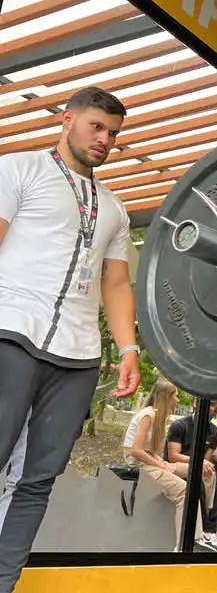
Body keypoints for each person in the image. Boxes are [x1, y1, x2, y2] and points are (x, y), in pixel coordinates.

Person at [0, 86, 141, 591]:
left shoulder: (115, 209)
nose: (105, 140)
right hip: (11, 328)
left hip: (78, 355)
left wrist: (128, 348)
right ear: (68, 119)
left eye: (113, 134)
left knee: (37, 479)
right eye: (96, 127)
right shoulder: (17, 170)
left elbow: (116, 282)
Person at [123, 379, 217, 552]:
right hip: (139, 465)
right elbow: (136, 451)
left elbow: (149, 451)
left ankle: (205, 523)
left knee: (204, 472)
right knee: (185, 490)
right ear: (166, 397)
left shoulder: (158, 417)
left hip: (150, 462)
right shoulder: (148, 415)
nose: (178, 399)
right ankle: (184, 546)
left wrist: (161, 463)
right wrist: (162, 466)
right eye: (175, 395)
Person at [166, 398, 217, 545]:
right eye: (208, 404)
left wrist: (204, 465)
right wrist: (199, 462)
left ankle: (211, 529)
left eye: (213, 405)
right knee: (197, 481)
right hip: (176, 465)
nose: (210, 408)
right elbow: (173, 457)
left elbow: (207, 459)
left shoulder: (214, 431)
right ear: (195, 404)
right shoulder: (179, 425)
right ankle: (201, 532)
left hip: (198, 466)